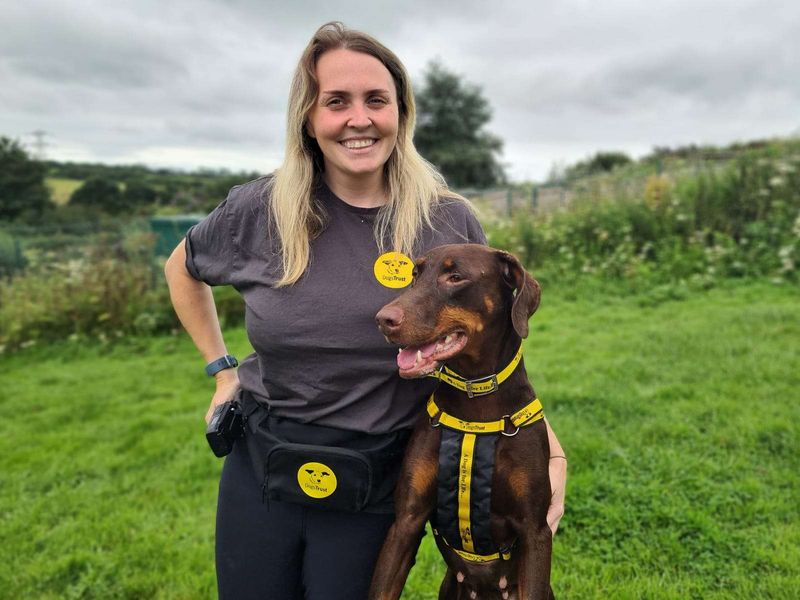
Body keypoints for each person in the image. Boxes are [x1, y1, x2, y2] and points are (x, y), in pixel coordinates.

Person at [164, 21, 566, 600]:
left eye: (377, 100)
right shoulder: (261, 208)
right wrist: (221, 371)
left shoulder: (445, 219)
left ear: (400, 112)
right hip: (263, 460)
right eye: (336, 102)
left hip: (378, 472)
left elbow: (486, 347)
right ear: (308, 116)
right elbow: (182, 268)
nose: (359, 119)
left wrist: (544, 442)